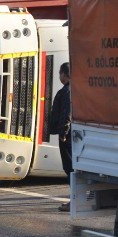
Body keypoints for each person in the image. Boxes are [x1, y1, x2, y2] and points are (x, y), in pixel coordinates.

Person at [50, 62, 72, 211]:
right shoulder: (70, 89)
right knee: (70, 167)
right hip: (69, 135)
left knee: (69, 167)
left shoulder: (67, 91)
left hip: (67, 136)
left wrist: (63, 134)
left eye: (60, 73)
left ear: (65, 74)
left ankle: (75, 200)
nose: (59, 76)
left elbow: (66, 114)